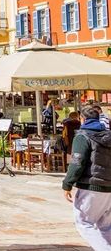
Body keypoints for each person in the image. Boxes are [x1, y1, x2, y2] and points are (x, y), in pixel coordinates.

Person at [62, 106, 111, 250]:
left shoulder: (83, 136)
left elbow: (77, 162)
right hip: (109, 188)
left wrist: (67, 184)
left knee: (84, 223)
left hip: (91, 186)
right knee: (106, 226)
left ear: (82, 119)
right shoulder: (108, 136)